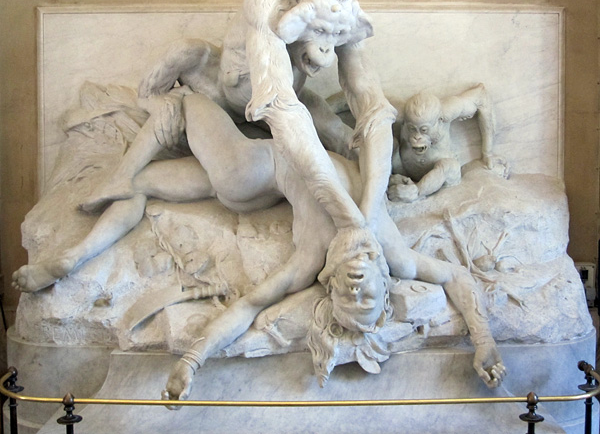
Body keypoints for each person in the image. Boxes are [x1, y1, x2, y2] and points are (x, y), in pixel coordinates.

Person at [14, 92, 503, 395]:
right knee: (140, 184)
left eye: (347, 296)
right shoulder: (390, 249)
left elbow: (248, 307)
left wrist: (192, 359)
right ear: (383, 281)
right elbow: (455, 277)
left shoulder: (310, 261)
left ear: (330, 287)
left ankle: (180, 105)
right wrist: (484, 342)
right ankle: (71, 257)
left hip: (251, 171)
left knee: (187, 102)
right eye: (366, 295)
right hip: (267, 169)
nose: (356, 288)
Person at [80, 0, 397, 250]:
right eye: (320, 31)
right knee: (186, 51)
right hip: (225, 94)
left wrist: (368, 213)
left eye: (335, 35)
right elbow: (281, 108)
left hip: (280, 101)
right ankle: (136, 137)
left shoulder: (343, 14)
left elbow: (374, 108)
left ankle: (382, 192)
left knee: (341, 134)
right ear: (300, 11)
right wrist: (348, 218)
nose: (327, 50)